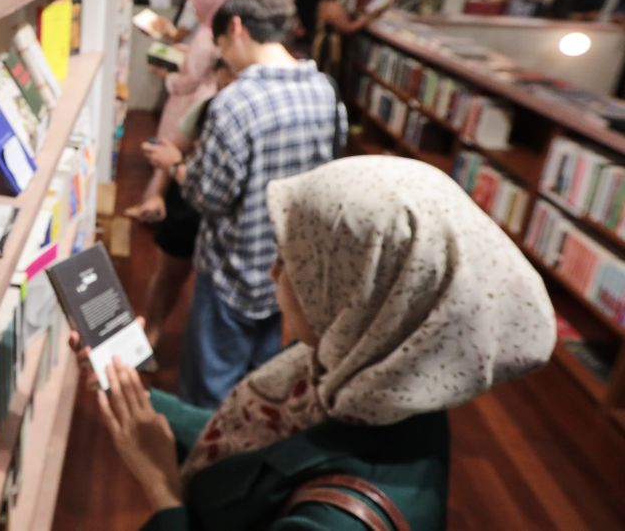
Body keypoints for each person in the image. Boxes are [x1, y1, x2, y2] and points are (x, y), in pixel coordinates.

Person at [70, 157, 555, 531]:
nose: (273, 273)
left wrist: (160, 488)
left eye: (293, 265)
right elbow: (251, 445)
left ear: (356, 297)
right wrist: (130, 391)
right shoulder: (369, 370)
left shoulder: (341, 519)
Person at [143, 0, 346, 408]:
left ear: (236, 29)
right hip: (289, 271)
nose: (225, 59)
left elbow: (207, 197)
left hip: (233, 273)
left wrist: (180, 166)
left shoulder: (234, 103)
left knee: (209, 394)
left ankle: (203, 469)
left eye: (220, 46)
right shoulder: (325, 90)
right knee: (261, 391)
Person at [125, 0, 239, 226]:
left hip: (189, 99)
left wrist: (168, 77)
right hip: (201, 94)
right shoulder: (217, 34)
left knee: (170, 148)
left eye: (196, 3)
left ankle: (153, 204)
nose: (193, 7)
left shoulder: (206, 35)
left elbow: (190, 79)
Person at [139, 58, 236, 347]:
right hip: (187, 204)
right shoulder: (208, 108)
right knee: (169, 274)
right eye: (222, 80)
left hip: (223, 213)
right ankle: (150, 334)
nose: (226, 87)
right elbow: (173, 150)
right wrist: (157, 194)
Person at [311, 0, 386, 76]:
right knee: (327, 73)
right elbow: (347, 28)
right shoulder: (332, 6)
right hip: (329, 46)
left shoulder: (325, 2)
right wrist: (362, 21)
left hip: (323, 42)